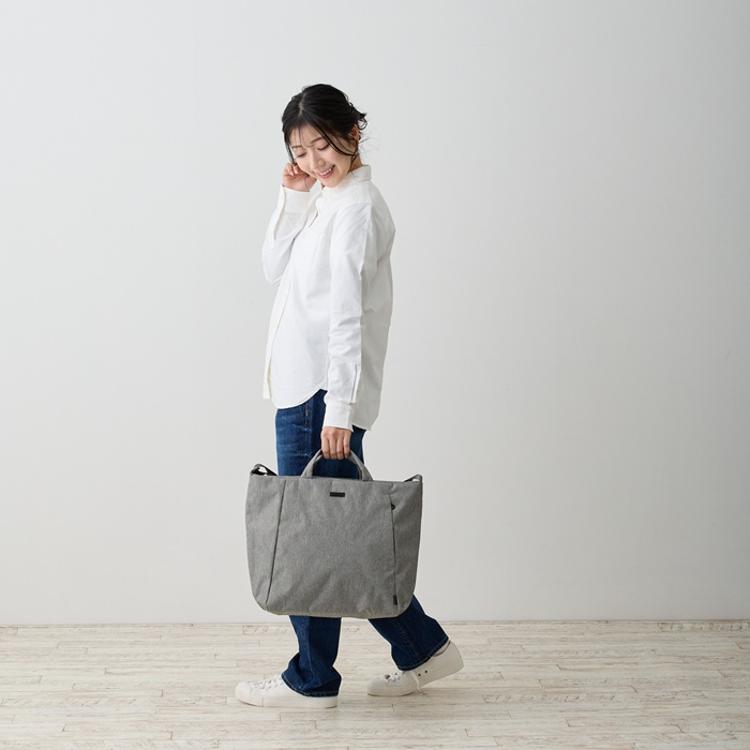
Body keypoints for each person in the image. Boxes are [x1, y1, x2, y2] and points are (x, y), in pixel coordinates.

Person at [235, 84, 463, 709]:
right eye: (299, 151)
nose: (314, 160)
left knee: (312, 537)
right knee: (337, 535)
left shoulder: (356, 208)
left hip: (319, 395)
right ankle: (422, 648)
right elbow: (272, 267)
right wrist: (291, 196)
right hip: (303, 389)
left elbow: (347, 317)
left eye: (322, 145)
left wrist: (338, 409)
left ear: (352, 132)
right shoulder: (324, 199)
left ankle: (313, 679)